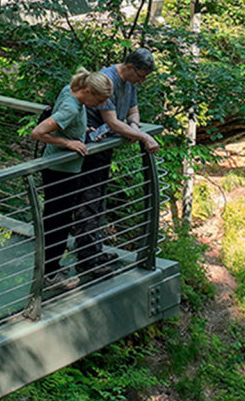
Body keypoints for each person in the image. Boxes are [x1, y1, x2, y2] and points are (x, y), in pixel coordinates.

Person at [76, 48, 160, 278]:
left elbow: (133, 112)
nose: (141, 81)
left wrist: (134, 128)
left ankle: (96, 249)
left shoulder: (130, 83)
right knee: (89, 200)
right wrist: (143, 136)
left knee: (99, 199)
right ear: (130, 67)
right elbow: (112, 122)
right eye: (141, 76)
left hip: (104, 148)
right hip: (90, 147)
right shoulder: (107, 80)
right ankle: (86, 257)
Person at [31, 68, 113, 290]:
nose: (100, 105)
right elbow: (38, 132)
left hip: (56, 167)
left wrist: (79, 131)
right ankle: (50, 276)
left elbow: (67, 123)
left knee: (55, 218)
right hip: (62, 171)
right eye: (99, 100)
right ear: (87, 90)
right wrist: (69, 144)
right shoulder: (71, 107)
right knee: (59, 221)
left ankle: (51, 266)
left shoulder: (70, 90)